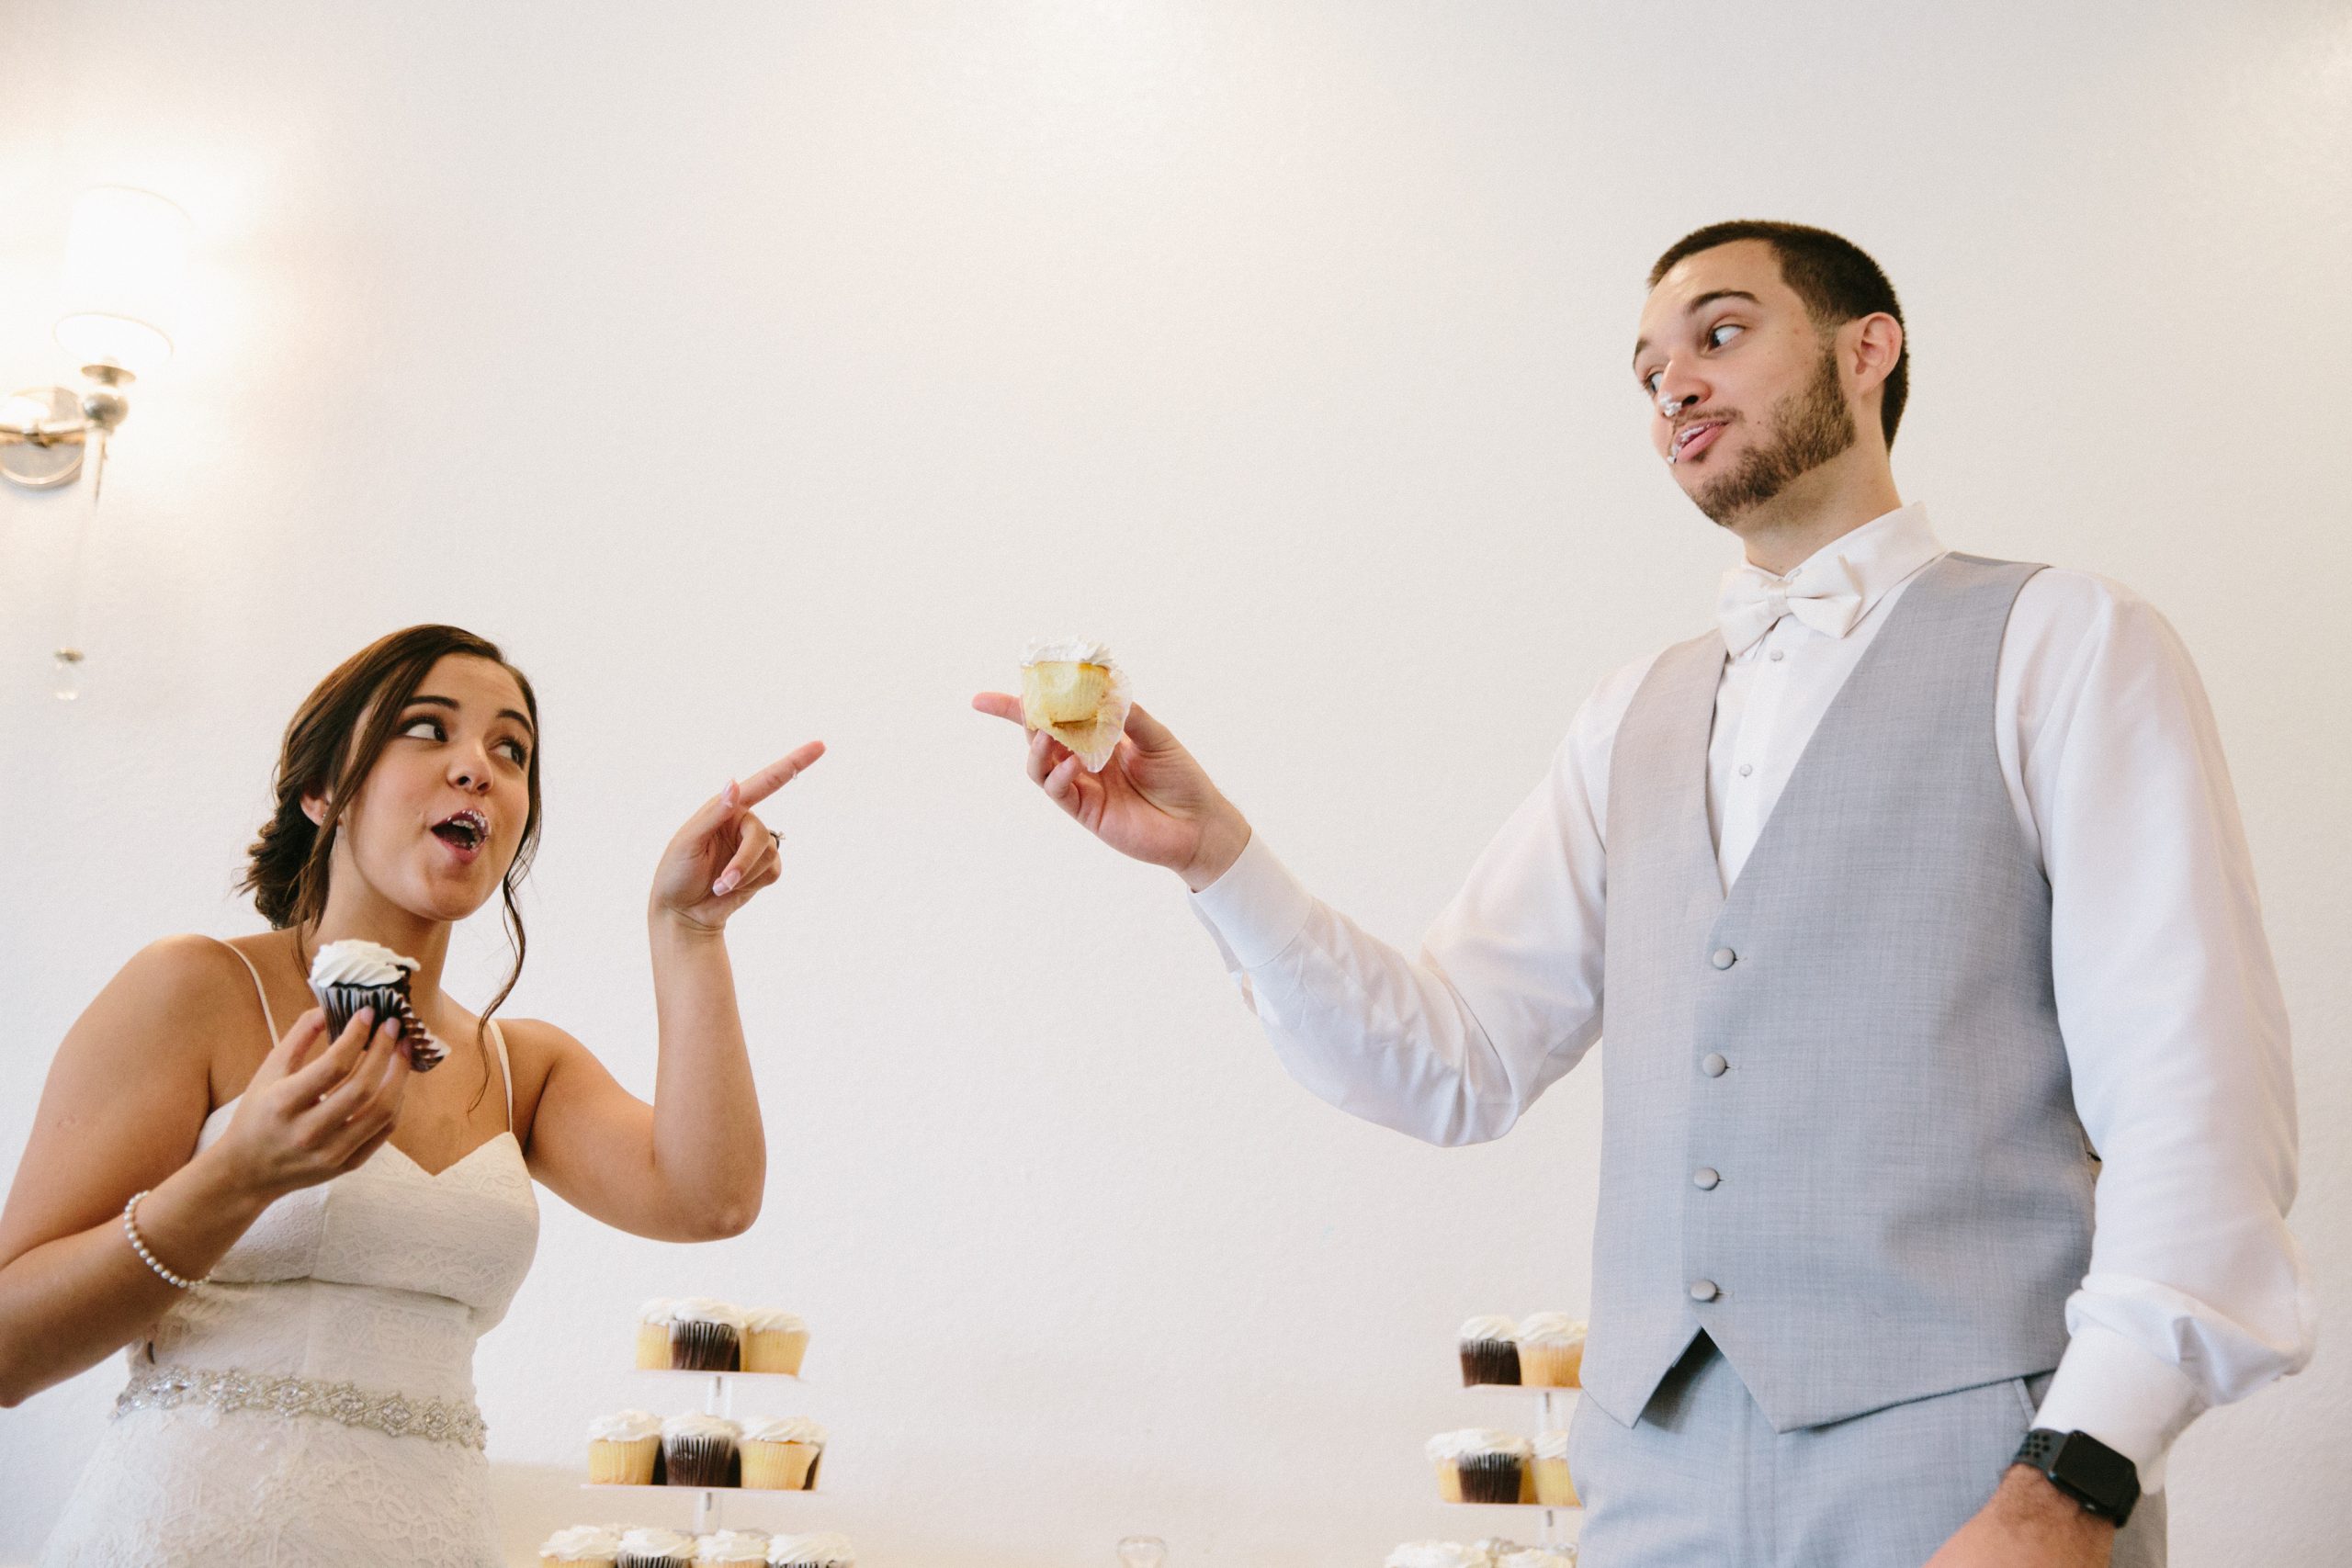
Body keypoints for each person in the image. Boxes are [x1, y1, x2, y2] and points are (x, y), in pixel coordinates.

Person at [977, 221, 2312, 1567]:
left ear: (1868, 349)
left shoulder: (2066, 639)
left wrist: (2072, 1479)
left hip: (1975, 1475)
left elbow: (2197, 1097)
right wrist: (1218, 855)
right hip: (1653, 1484)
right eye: (1648, 369)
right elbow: (1456, 1057)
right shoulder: (1634, 713)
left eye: (1721, 333)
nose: (1674, 380)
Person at [2, 623, 823, 1566]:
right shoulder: (193, 990)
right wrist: (234, 1178)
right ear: (323, 791)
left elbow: (711, 1198)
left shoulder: (525, 1066)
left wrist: (687, 930)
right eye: (428, 730)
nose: (477, 766)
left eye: (510, 750)